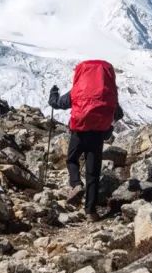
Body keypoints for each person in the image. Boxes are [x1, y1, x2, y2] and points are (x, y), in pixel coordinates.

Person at [48, 59, 124, 220]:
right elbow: (118, 114)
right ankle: (91, 211)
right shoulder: (107, 93)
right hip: (97, 135)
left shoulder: (78, 90)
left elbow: (55, 104)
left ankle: (76, 184)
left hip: (79, 132)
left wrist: (53, 93)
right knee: (93, 173)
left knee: (72, 160)